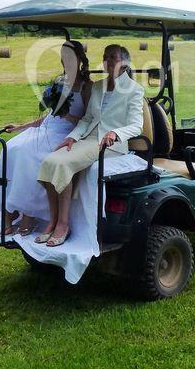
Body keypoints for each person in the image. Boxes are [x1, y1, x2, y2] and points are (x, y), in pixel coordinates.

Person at [35, 44, 144, 247]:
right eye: (106, 56)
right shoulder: (97, 87)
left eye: (113, 57)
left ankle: (63, 224)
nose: (109, 61)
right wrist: (73, 137)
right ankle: (52, 221)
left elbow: (137, 125)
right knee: (50, 160)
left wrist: (115, 133)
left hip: (109, 144)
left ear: (124, 62)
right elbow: (87, 119)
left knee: (63, 163)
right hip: (88, 139)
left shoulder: (134, 90)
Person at [0, 40, 92, 236]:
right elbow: (48, 115)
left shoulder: (87, 86)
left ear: (79, 59)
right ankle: (11, 209)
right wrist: (21, 127)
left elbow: (88, 120)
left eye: (70, 57)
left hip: (68, 133)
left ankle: (29, 212)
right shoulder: (59, 82)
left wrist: (66, 114)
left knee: (32, 153)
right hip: (48, 127)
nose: (65, 62)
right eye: (63, 58)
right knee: (12, 148)